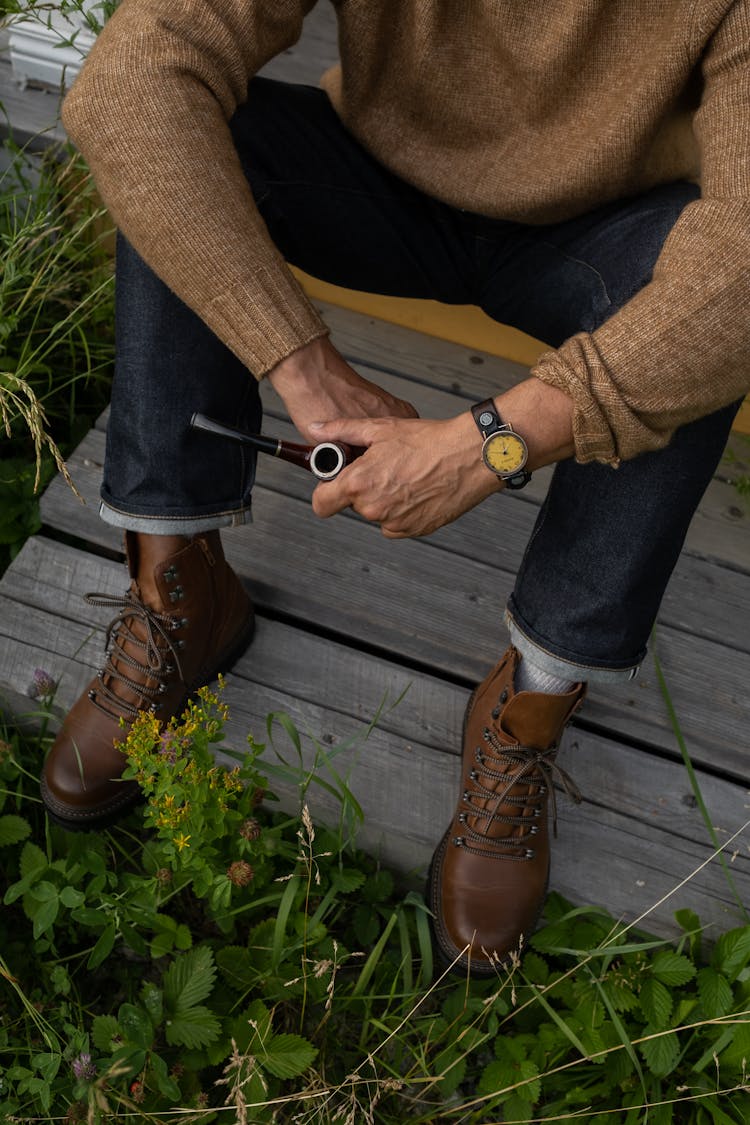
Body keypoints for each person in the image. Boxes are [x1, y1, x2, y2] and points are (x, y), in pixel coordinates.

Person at [41, 0, 747, 977]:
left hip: (606, 226)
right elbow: (128, 82)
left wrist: (488, 443)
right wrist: (303, 366)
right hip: (375, 173)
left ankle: (533, 700)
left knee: (706, 309)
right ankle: (181, 591)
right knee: (170, 143)